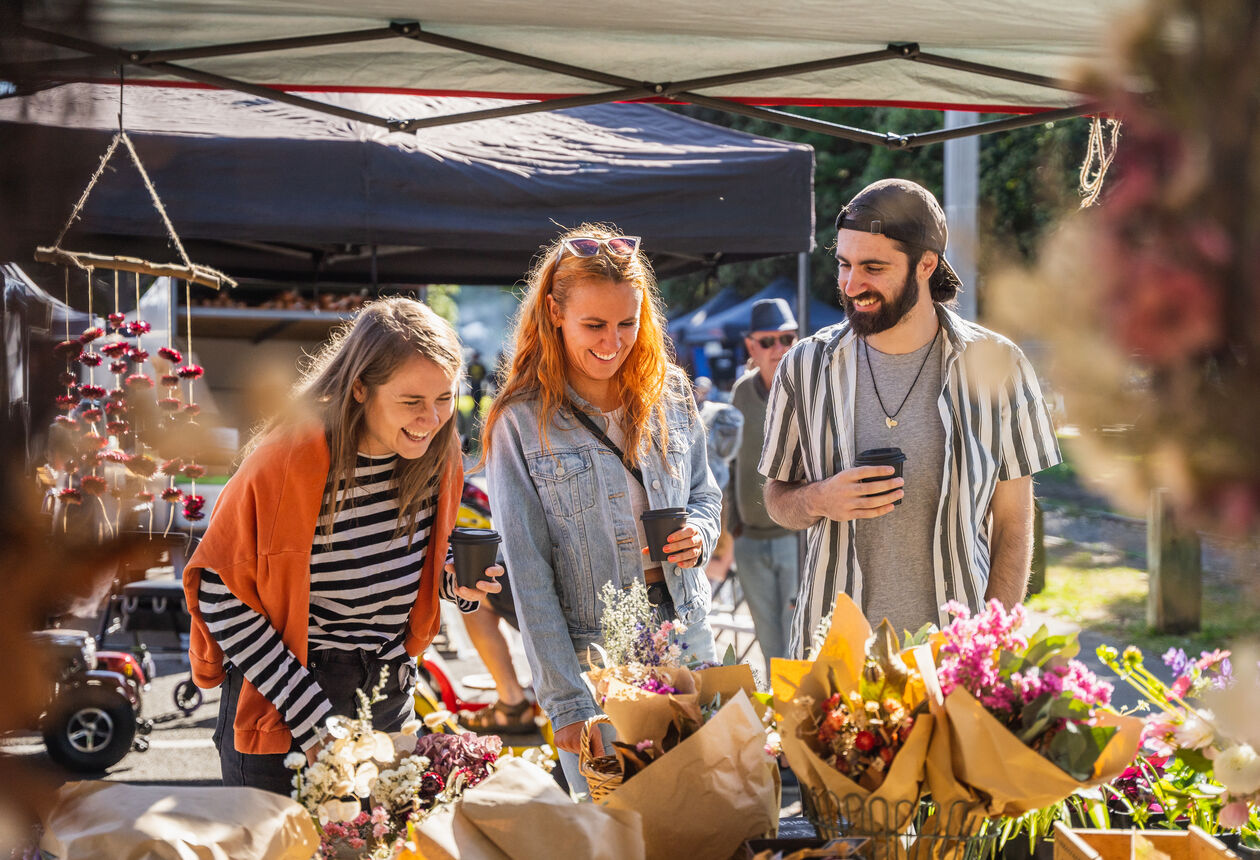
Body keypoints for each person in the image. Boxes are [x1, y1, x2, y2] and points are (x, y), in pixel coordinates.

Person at [183, 297, 504, 794]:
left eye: (444, 398)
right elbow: (216, 591)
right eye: (411, 401)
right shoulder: (285, 460)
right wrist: (311, 718)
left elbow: (414, 565)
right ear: (359, 388)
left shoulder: (440, 459)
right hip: (286, 698)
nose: (432, 418)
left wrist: (456, 580)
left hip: (389, 691)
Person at [760, 179, 1062, 654]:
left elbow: (1013, 525)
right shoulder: (804, 365)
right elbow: (777, 498)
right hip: (833, 658)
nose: (851, 284)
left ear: (927, 264)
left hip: (955, 659)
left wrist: (993, 647)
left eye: (873, 267)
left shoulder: (1000, 366)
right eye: (844, 264)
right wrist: (821, 498)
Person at [481, 225, 721, 795]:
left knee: (708, 820)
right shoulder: (522, 419)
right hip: (592, 656)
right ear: (553, 314)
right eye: (594, 325)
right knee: (613, 828)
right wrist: (564, 700)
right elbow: (528, 570)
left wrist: (700, 531)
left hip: (687, 633)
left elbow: (706, 494)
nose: (613, 341)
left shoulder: (672, 395)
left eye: (627, 323)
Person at [730, 298, 800, 678]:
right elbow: (728, 463)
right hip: (750, 540)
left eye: (787, 338)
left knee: (799, 640)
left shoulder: (809, 391)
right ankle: (780, 729)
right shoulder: (741, 394)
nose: (779, 349)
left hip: (796, 539)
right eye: (769, 340)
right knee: (769, 644)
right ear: (751, 346)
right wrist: (731, 528)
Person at [694, 375, 744, 585]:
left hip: (718, 489)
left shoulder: (719, 413)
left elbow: (727, 452)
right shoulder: (694, 412)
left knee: (718, 547)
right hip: (700, 489)